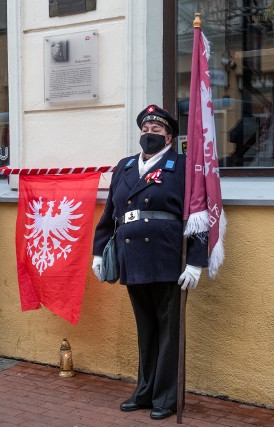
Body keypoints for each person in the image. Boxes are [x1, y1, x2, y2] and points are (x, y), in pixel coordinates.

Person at [92, 105, 208, 420]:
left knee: (169, 330)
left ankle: (166, 398)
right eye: (145, 130)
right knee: (146, 329)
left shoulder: (181, 166)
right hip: (132, 256)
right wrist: (99, 251)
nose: (149, 135)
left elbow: (198, 216)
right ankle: (145, 390)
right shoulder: (125, 166)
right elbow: (109, 215)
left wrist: (196, 262)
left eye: (156, 131)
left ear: (169, 136)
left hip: (168, 256)